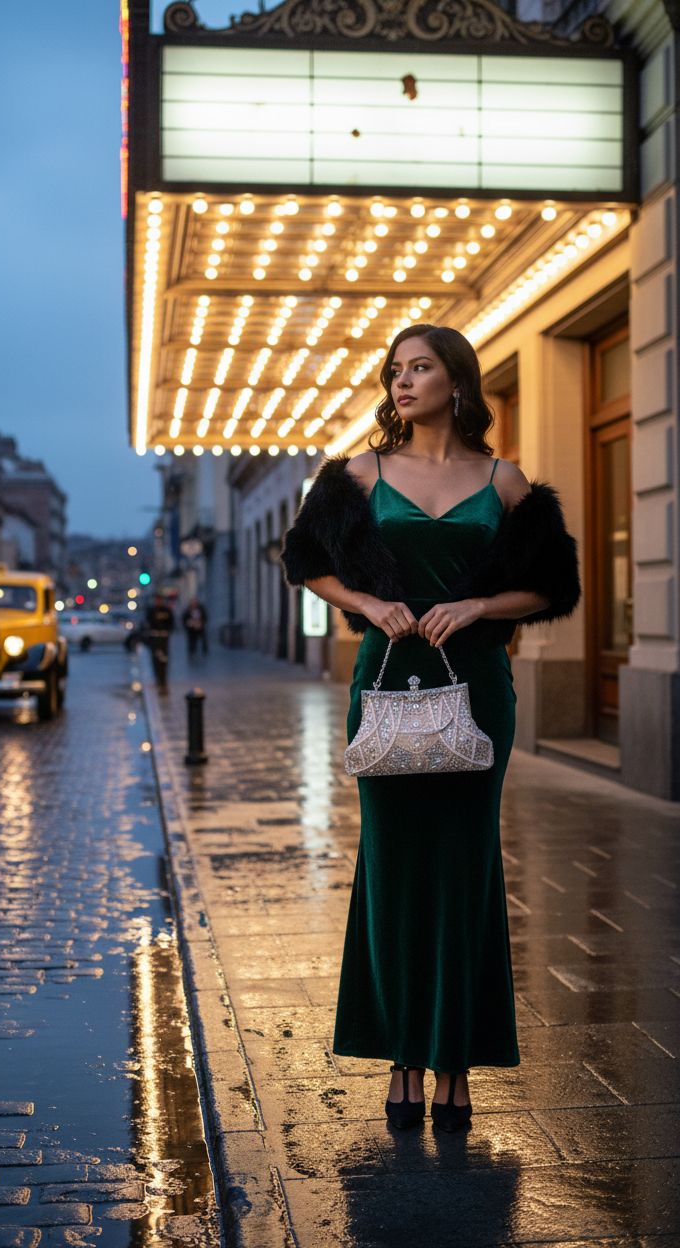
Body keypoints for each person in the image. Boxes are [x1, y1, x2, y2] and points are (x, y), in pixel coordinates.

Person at [281, 324, 580, 1133]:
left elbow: (554, 587)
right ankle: (403, 1055)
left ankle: (455, 1061)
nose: (402, 382)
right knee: (393, 868)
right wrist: (369, 603)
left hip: (476, 687)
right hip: (385, 681)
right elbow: (306, 560)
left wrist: (480, 604)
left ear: (457, 382)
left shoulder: (505, 480)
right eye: (395, 371)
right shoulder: (356, 473)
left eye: (420, 368)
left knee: (466, 867)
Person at [144, 592, 175, 692]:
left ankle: (163, 681)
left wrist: (168, 631)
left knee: (164, 659)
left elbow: (171, 623)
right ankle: (158, 679)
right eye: (157, 600)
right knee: (156, 659)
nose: (158, 602)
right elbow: (148, 623)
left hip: (164, 638)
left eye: (160, 600)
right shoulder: (151, 611)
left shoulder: (167, 611)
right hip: (154, 638)